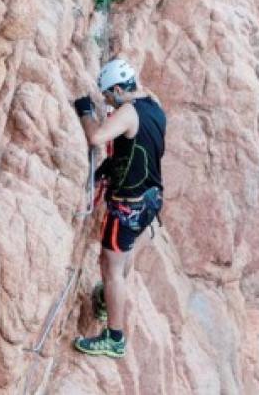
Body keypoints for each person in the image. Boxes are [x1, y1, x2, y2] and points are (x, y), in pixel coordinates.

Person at [71, 58, 166, 358]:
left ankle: (114, 338)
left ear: (116, 89)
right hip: (150, 199)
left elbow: (96, 137)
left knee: (110, 267)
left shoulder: (128, 112)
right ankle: (108, 299)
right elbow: (136, 150)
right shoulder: (154, 105)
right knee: (122, 258)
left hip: (127, 206)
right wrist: (108, 170)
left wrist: (86, 112)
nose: (108, 103)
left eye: (108, 96)